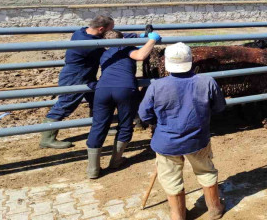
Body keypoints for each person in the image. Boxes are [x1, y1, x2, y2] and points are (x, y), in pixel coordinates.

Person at [138, 42, 226, 220]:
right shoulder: (207, 81)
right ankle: (215, 208)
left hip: (166, 142)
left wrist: (160, 123)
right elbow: (219, 107)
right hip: (198, 139)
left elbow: (144, 115)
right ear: (191, 61)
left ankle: (178, 215)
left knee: (170, 178)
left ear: (168, 63)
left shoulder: (156, 86)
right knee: (206, 171)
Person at [39, 15, 139, 149]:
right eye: (110, 29)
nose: (111, 31)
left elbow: (113, 36)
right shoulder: (89, 44)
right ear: (101, 29)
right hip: (75, 76)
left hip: (87, 74)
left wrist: (139, 35)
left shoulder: (82, 31)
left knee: (95, 100)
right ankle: (47, 138)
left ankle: (101, 127)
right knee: (66, 103)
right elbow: (112, 46)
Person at [86, 30, 161, 179]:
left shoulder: (104, 53)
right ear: (123, 39)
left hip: (102, 89)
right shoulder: (127, 48)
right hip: (125, 89)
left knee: (99, 125)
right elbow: (140, 55)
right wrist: (152, 40)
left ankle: (93, 169)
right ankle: (116, 160)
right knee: (125, 124)